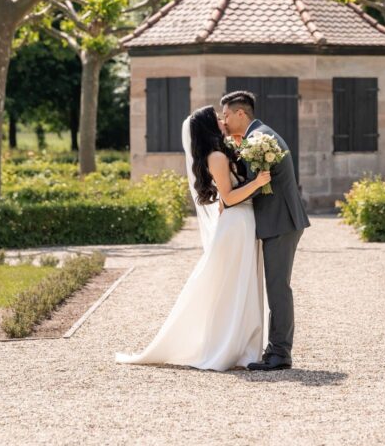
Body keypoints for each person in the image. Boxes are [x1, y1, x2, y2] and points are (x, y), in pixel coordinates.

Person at [115, 106, 271, 371]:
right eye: (217, 118)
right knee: (233, 285)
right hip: (235, 225)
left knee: (240, 284)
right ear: (209, 126)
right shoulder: (217, 157)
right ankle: (228, 347)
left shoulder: (223, 152)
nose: (223, 120)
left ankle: (242, 345)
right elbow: (230, 198)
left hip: (241, 223)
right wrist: (257, 183)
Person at [220, 90, 310, 371]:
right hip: (278, 221)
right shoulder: (256, 136)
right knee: (276, 287)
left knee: (278, 288)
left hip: (281, 222)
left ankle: (280, 353)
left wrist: (228, 196)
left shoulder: (260, 140)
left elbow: (257, 184)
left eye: (226, 115)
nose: (223, 121)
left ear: (240, 114)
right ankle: (276, 349)